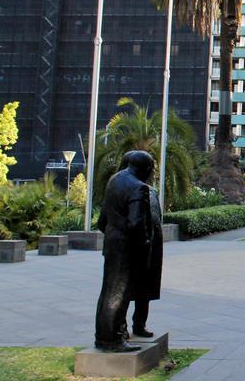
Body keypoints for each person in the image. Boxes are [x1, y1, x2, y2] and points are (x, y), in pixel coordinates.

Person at [94, 151, 153, 352]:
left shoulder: (114, 181)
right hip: (127, 248)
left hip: (112, 243)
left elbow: (102, 221)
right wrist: (144, 242)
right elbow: (136, 222)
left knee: (108, 291)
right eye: (151, 169)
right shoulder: (138, 188)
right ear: (145, 169)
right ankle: (114, 340)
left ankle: (102, 337)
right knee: (119, 293)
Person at [130, 180, 163, 338]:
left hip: (152, 243)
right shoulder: (129, 190)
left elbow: (158, 217)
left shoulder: (151, 191)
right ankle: (119, 326)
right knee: (125, 291)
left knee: (146, 291)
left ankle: (139, 324)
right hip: (134, 245)